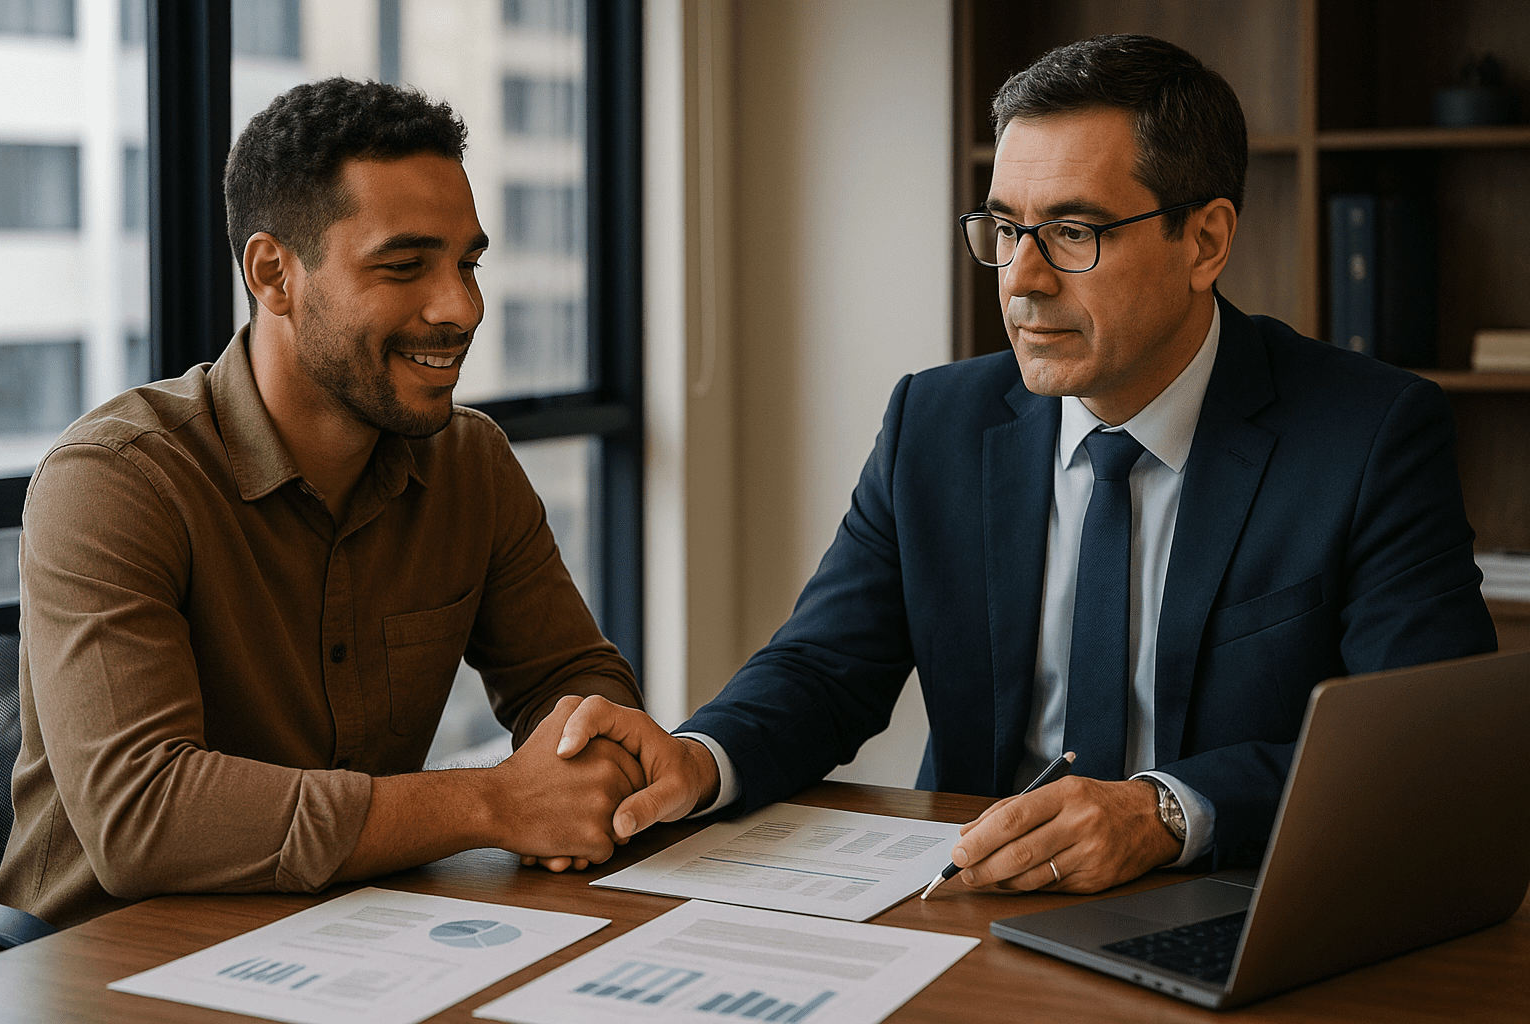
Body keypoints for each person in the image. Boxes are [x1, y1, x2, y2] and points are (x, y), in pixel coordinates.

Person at [550, 34, 1497, 894]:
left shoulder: (1368, 435)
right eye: (1005, 229)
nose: (1022, 280)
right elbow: (825, 668)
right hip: (973, 900)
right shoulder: (935, 422)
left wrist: (1166, 813)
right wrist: (699, 758)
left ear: (1205, 241)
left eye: (1074, 232)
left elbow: (1423, 753)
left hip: (1232, 901)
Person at [0, 78, 644, 930]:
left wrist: (583, 757)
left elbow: (573, 680)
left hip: (353, 937)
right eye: (404, 266)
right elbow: (144, 816)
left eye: (468, 263)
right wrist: (494, 802)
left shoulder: (470, 462)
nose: (461, 307)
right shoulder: (115, 480)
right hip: (102, 956)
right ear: (274, 274)